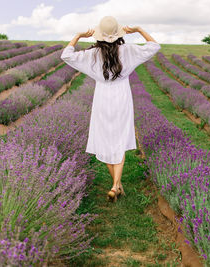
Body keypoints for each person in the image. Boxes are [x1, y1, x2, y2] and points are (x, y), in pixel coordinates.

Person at [60, 16, 161, 202]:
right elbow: (154, 46)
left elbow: (66, 55)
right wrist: (138, 29)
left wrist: (78, 36)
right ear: (118, 34)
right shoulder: (128, 50)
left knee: (105, 139)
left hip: (102, 99)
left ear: (99, 35)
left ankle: (116, 185)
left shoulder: (93, 54)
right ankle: (116, 185)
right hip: (122, 97)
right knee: (119, 139)